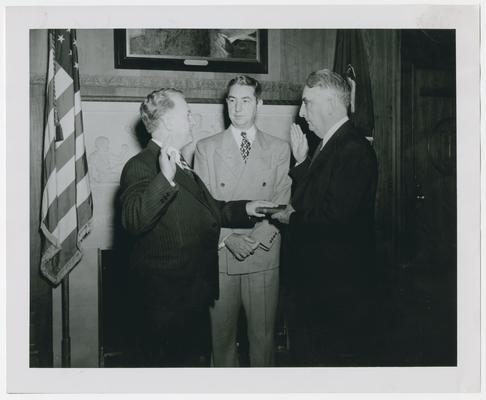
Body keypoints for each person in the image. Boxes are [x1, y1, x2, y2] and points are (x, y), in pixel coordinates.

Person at [119, 88, 274, 367]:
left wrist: (246, 208)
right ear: (167, 122)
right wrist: (164, 181)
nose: (194, 119)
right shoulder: (141, 165)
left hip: (189, 296)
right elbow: (133, 220)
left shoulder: (179, 164)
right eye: (187, 114)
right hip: (164, 304)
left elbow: (211, 210)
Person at [272, 69, 378, 366]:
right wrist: (303, 161)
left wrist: (289, 218)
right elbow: (319, 195)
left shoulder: (353, 148)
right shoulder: (331, 143)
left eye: (308, 103)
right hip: (321, 285)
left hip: (335, 291)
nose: (302, 113)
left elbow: (334, 218)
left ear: (331, 104)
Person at [194, 76, 291, 367]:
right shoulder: (206, 148)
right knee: (221, 342)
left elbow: (281, 202)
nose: (237, 108)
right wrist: (227, 240)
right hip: (222, 257)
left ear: (259, 103)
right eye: (232, 100)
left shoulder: (278, 148)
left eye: (246, 100)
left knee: (263, 342)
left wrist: (256, 240)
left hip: (262, 254)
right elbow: (203, 207)